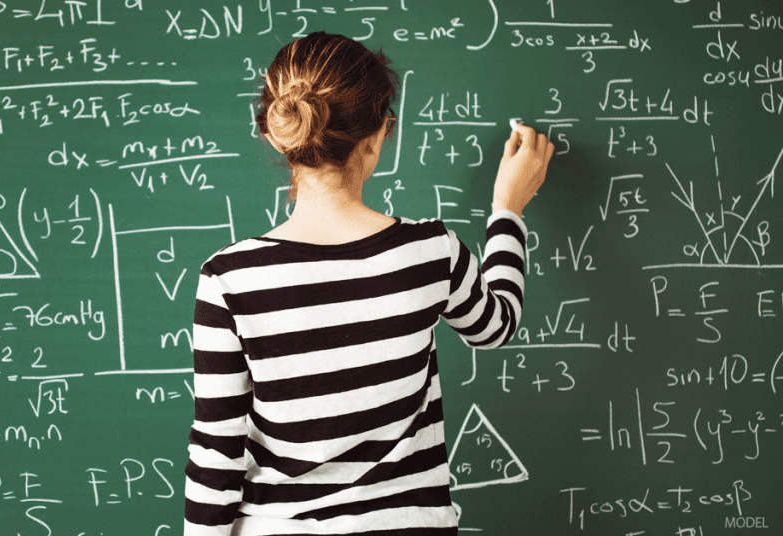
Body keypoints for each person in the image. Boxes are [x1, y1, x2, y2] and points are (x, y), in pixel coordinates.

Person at [184, 32, 553, 535]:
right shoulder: (429, 252)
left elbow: (216, 454)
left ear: (276, 133)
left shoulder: (229, 278)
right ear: (381, 133)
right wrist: (508, 208)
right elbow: (497, 324)